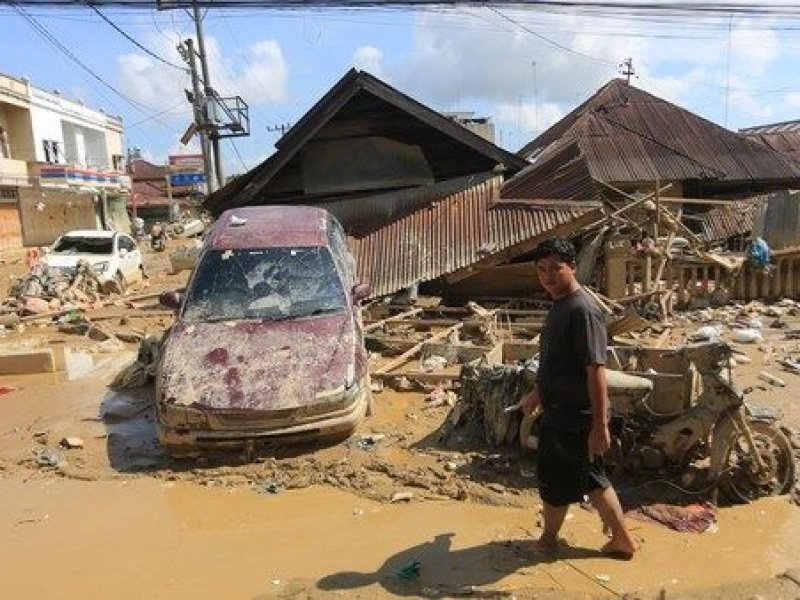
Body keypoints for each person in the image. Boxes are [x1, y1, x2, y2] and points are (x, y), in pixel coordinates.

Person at [520, 236, 637, 560]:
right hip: (563, 409)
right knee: (591, 478)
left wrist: (599, 425)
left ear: (573, 267)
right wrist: (537, 392)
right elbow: (559, 361)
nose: (547, 276)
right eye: (541, 270)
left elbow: (595, 370)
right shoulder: (560, 305)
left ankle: (548, 539)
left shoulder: (582, 310)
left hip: (575, 415)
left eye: (555, 269)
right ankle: (622, 539)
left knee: (556, 480)